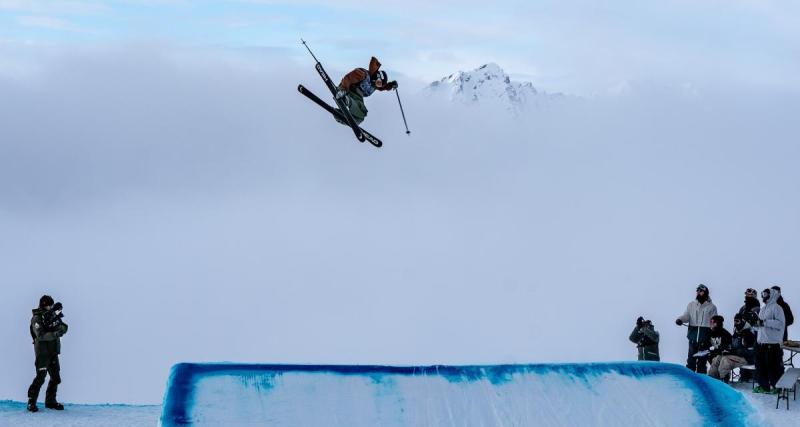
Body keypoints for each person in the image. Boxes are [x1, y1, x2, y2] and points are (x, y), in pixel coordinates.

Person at [27, 295, 68, 412]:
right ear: (44, 305)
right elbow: (40, 335)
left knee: (56, 378)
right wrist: (55, 333)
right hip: (42, 353)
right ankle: (31, 402)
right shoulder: (37, 318)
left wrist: (60, 328)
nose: (51, 307)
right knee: (40, 378)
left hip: (53, 351)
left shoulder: (52, 315)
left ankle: (50, 401)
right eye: (49, 305)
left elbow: (64, 326)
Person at [335, 57, 398, 125]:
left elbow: (383, 87)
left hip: (357, 98)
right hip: (348, 90)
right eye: (378, 82)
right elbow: (348, 78)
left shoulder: (374, 86)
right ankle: (346, 100)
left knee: (362, 114)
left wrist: (391, 85)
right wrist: (343, 89)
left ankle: (346, 119)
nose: (377, 85)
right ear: (376, 77)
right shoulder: (363, 75)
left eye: (379, 85)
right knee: (356, 104)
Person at [676, 284, 718, 374]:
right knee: (691, 360)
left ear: (705, 292)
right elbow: (686, 316)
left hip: (705, 337)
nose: (698, 293)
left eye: (701, 291)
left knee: (702, 362)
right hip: (693, 336)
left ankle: (701, 381)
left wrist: (714, 330)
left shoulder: (712, 307)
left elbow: (714, 321)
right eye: (697, 291)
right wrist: (680, 319)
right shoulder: (691, 305)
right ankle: (690, 380)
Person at [754, 287, 786, 393]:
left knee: (773, 366)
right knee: (760, 366)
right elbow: (761, 324)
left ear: (771, 294)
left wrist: (765, 322)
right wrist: (755, 325)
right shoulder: (763, 308)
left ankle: (777, 387)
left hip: (772, 343)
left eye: (765, 293)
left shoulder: (777, 308)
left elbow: (780, 324)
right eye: (762, 293)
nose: (763, 295)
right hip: (761, 342)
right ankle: (764, 386)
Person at [728, 313, 757, 382]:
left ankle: (749, 377)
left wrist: (736, 350)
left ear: (742, 321)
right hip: (742, 355)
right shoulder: (737, 330)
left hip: (750, 357)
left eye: (737, 321)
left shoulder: (749, 332)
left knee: (739, 352)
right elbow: (735, 343)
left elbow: (751, 349)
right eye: (734, 321)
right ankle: (743, 377)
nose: (735, 323)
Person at [703, 315, 733, 381]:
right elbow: (705, 344)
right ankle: (704, 376)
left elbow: (727, 347)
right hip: (712, 354)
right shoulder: (709, 333)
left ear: (717, 323)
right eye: (711, 321)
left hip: (722, 355)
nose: (711, 323)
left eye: (713, 322)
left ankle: (717, 378)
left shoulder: (725, 334)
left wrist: (717, 350)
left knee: (718, 359)